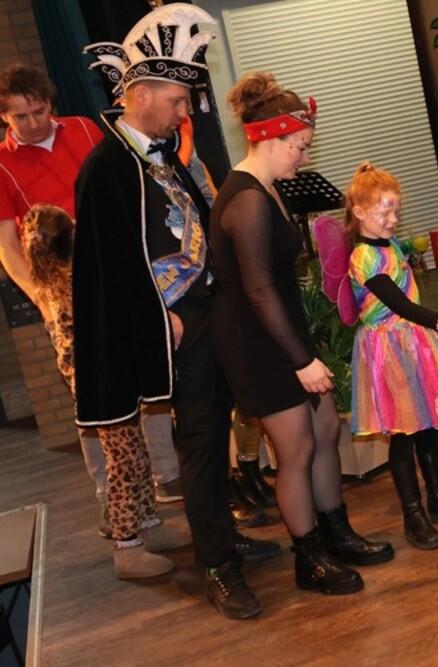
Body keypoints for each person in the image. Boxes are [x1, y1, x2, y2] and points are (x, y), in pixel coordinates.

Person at [76, 4, 279, 619]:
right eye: (176, 100)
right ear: (140, 95)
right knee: (199, 443)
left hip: (211, 310)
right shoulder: (106, 165)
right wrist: (159, 317)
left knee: (217, 434)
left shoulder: (160, 152)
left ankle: (225, 539)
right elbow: (108, 264)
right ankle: (218, 566)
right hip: (180, 325)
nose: (184, 111)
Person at [212, 72, 393, 597]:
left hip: (281, 330)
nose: (304, 157)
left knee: (325, 430)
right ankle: (308, 559)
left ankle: (337, 532)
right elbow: (258, 290)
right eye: (299, 146)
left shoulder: (268, 187)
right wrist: (301, 360)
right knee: (295, 450)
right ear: (269, 139)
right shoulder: (246, 199)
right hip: (258, 342)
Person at [0, 63, 182, 537]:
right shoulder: (1, 165)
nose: (33, 123)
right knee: (95, 397)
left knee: (147, 374)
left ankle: (166, 474)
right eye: (20, 116)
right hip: (63, 289)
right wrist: (43, 296)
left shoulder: (83, 129)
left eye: (39, 111)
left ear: (51, 103)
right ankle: (111, 498)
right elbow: (6, 246)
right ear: (4, 117)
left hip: (117, 272)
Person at [22, 204, 189, 578]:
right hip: (102, 389)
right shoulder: (74, 286)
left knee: (136, 456)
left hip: (110, 382)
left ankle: (149, 525)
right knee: (124, 466)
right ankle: (126, 547)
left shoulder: (60, 280)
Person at [345, 161, 438, 550]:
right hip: (387, 350)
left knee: (427, 425)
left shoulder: (389, 245)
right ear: (360, 212)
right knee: (404, 434)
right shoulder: (362, 257)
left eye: (396, 210)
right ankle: (413, 514)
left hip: (412, 343)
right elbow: (399, 304)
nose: (393, 219)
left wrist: (432, 330)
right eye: (385, 211)